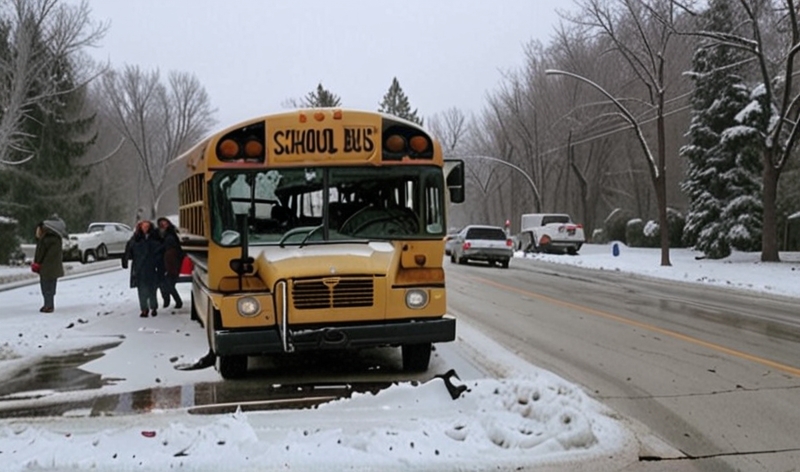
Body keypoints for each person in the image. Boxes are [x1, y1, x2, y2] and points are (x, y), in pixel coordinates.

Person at [122, 220, 163, 317]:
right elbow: (129, 250)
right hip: (140, 268)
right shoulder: (135, 239)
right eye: (143, 226)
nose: (145, 228)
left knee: (152, 289)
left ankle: (153, 307)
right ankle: (144, 309)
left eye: (147, 226)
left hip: (152, 267)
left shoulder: (154, 238)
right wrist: (125, 261)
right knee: (142, 289)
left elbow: (160, 250)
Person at [32, 215, 66, 313]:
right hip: (55, 268)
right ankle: (50, 304)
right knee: (51, 288)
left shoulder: (45, 239)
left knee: (45, 287)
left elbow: (40, 253)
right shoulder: (57, 238)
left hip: (46, 268)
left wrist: (37, 263)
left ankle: (48, 306)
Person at [156, 217, 183, 309]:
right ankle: (167, 300)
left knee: (169, 284)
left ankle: (177, 301)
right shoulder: (158, 234)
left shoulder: (172, 234)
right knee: (163, 283)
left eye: (165, 223)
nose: (163, 225)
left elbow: (177, 249)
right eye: (161, 224)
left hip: (172, 262)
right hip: (162, 262)